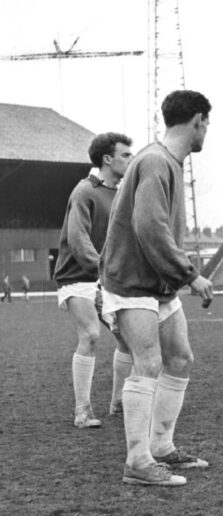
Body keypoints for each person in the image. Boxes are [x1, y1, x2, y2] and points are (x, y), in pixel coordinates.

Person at [99, 90, 215, 487]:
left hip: (156, 286)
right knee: (148, 363)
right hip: (131, 282)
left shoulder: (166, 161)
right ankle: (137, 462)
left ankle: (161, 447)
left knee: (179, 358)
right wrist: (190, 273)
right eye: (207, 124)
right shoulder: (154, 161)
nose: (206, 132)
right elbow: (149, 227)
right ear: (197, 120)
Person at [53, 132, 134, 428]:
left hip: (107, 277)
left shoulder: (124, 194)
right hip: (78, 276)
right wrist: (102, 268)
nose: (131, 159)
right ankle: (82, 411)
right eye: (125, 154)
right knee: (90, 335)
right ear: (107, 159)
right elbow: (77, 238)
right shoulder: (84, 191)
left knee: (129, 339)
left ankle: (118, 403)